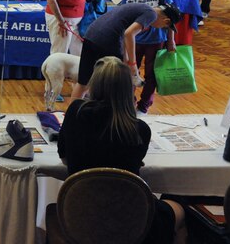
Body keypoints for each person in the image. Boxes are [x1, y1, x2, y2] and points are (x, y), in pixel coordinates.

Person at [58, 56, 187, 244]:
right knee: (180, 206)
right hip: (130, 219)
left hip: (81, 215)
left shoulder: (76, 111)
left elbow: (64, 154)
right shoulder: (140, 130)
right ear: (129, 90)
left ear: (94, 84)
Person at [71, 2, 180, 99]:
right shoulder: (151, 15)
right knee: (114, 86)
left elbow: (123, 33)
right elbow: (129, 34)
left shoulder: (142, 7)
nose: (161, 28)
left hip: (91, 35)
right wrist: (133, 64)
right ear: (166, 21)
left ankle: (71, 117)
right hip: (108, 40)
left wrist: (126, 58)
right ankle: (111, 116)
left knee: (83, 82)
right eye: (165, 27)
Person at [119, 0, 176, 113]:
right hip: (134, 41)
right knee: (130, 73)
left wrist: (171, 40)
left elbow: (170, 14)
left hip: (156, 40)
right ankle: (129, 104)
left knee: (151, 74)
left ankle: (143, 106)